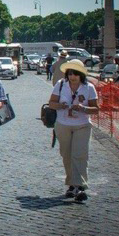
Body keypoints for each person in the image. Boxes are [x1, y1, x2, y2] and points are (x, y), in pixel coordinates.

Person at [47, 59, 99, 202]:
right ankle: (71, 184)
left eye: (75, 73)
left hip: (82, 125)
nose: (72, 76)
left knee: (80, 155)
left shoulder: (89, 87)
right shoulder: (60, 84)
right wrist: (61, 105)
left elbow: (96, 109)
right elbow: (51, 103)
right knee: (67, 155)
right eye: (70, 73)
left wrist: (83, 108)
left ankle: (80, 185)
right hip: (63, 124)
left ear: (81, 74)